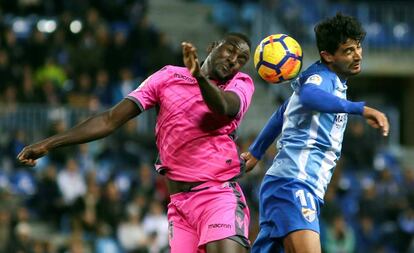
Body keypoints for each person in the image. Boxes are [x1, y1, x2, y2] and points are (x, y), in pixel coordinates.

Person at [17, 32, 254, 253]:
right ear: (213, 47)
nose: (234, 60)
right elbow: (110, 120)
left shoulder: (240, 84)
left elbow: (223, 107)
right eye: (230, 50)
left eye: (241, 59)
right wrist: (49, 143)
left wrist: (199, 77)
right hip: (180, 206)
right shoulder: (168, 76)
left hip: (217, 195)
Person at [241, 13, 390, 253]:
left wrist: (257, 151)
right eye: (349, 50)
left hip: (286, 186)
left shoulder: (332, 82)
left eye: (358, 47)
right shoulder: (322, 78)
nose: (358, 55)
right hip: (295, 185)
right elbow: (309, 96)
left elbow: (283, 111)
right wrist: (360, 109)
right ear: (328, 55)